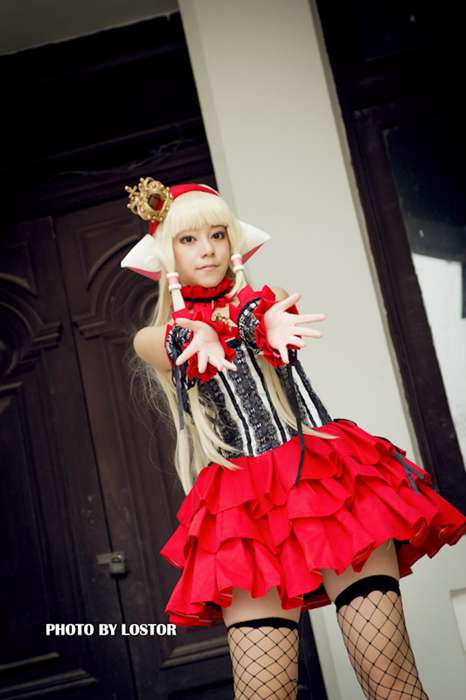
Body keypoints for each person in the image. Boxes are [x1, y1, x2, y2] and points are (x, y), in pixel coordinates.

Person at [122, 177, 466, 700]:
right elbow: (164, 341)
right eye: (188, 239)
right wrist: (199, 332)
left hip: (326, 484)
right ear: (165, 254)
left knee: (388, 679)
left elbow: (259, 314)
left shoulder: (270, 301)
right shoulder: (152, 337)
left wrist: (261, 326)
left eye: (217, 234)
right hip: (242, 510)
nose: (207, 249)